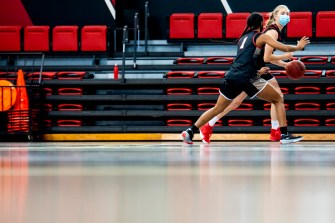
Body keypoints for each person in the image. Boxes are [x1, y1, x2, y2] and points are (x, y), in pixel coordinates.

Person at [181, 12, 309, 145]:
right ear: (260, 24)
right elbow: (284, 47)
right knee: (278, 99)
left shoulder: (242, 38)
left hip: (232, 76)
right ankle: (283, 135)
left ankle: (190, 130)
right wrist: (299, 47)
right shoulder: (261, 37)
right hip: (248, 78)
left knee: (217, 108)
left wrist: (258, 71)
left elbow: (244, 61)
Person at [200, 5, 293, 144]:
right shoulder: (272, 32)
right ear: (275, 15)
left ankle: (275, 132)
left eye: (287, 13)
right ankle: (208, 125)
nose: (286, 15)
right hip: (251, 71)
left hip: (258, 69)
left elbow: (265, 57)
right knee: (236, 102)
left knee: (277, 96)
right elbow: (267, 57)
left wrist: (284, 64)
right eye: (282, 13)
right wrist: (285, 60)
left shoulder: (274, 31)